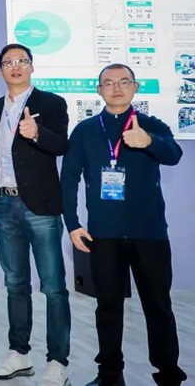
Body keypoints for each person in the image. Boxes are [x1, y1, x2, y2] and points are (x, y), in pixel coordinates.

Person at [61, 63, 187, 386]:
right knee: (107, 307)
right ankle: (110, 374)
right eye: (109, 83)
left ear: (135, 87)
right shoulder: (85, 131)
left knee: (158, 306)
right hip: (104, 235)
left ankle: (169, 374)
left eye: (124, 82)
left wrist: (149, 141)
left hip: (150, 234)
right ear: (98, 90)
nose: (116, 88)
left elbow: (174, 154)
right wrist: (72, 223)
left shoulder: (151, 125)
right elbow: (69, 178)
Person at [0, 43, 72, 385]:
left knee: (53, 287)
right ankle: (19, 353)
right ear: (0, 70)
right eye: (8, 62)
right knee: (15, 283)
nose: (15, 66)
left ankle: (57, 361)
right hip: (3, 203)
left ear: (31, 66)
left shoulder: (51, 103)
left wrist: (37, 134)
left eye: (21, 61)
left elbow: (61, 145)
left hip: (41, 206)